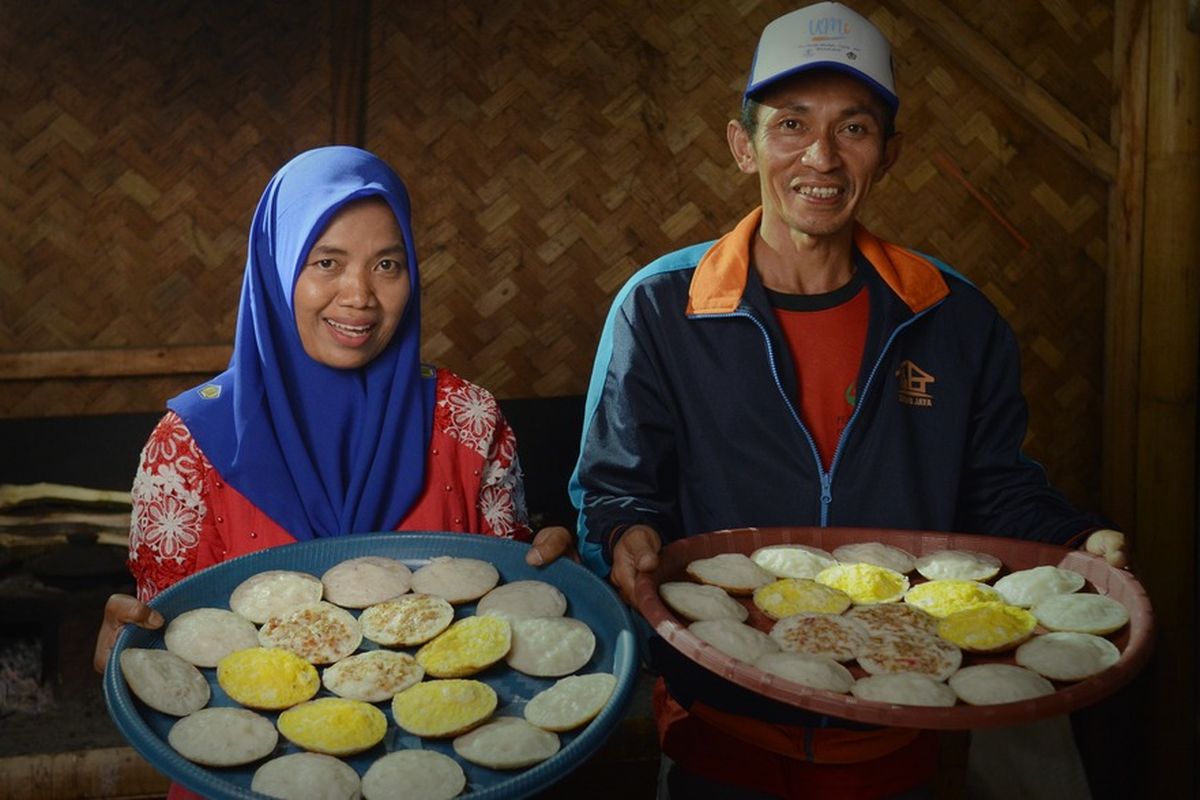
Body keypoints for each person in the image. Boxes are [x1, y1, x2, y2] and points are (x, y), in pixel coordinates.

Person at [567, 3, 1127, 798]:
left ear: (888, 153)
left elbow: (995, 488)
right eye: (791, 123)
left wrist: (1077, 539)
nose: (820, 156)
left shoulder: (952, 316)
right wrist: (625, 534)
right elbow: (615, 489)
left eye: (853, 128)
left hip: (905, 722)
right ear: (743, 145)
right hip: (723, 729)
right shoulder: (663, 307)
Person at [94, 145, 536, 675]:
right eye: (326, 262)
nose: (359, 296)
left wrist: (551, 573)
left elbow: (512, 618)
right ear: (275, 269)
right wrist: (125, 653)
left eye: (388, 265)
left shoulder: (469, 421)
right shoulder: (189, 447)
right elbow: (171, 655)